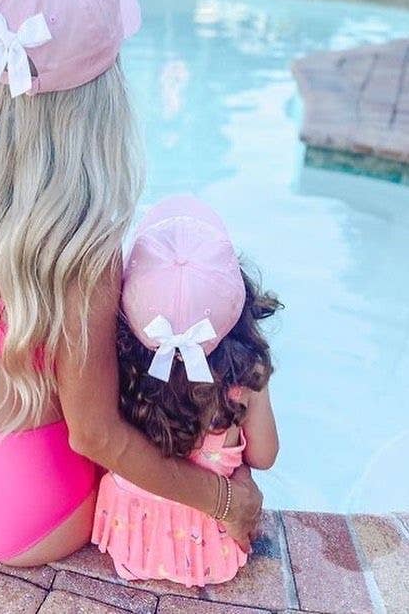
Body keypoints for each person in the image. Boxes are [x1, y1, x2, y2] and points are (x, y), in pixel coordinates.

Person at [0, 0, 263, 568]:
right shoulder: (84, 244)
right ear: (99, 98)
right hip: (26, 512)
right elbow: (95, 434)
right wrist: (223, 499)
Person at [93, 195, 280, 587]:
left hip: (130, 540)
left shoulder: (117, 360)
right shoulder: (247, 375)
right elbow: (264, 456)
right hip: (210, 551)